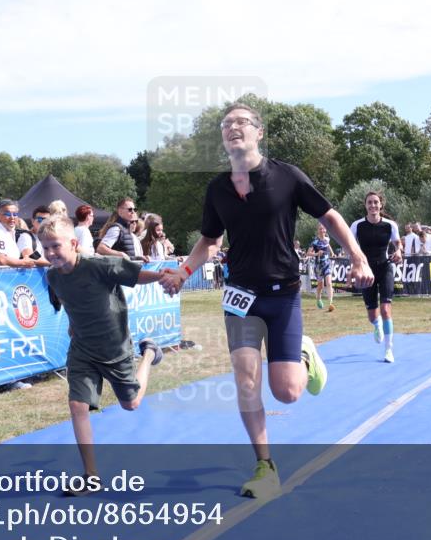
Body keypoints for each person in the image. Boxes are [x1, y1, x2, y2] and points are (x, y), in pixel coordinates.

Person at [159, 102, 373, 500]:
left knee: (288, 392)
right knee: (245, 379)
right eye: (226, 124)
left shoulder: (286, 176)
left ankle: (303, 356)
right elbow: (208, 241)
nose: (232, 128)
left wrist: (358, 257)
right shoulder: (218, 189)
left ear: (258, 132)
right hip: (240, 296)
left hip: (284, 294)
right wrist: (183, 273)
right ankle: (265, 465)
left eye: (241, 122)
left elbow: (330, 216)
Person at [39, 215, 165, 494]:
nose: (50, 253)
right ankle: (90, 476)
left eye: (55, 246)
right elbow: (69, 301)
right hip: (83, 351)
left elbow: (134, 274)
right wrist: (74, 326)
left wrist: (163, 276)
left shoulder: (98, 265)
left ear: (73, 243)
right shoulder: (52, 276)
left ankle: (149, 354)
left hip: (115, 348)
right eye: (45, 247)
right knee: (77, 406)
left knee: (131, 404)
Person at [350, 191, 403, 363]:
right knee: (373, 316)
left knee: (386, 309)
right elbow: (349, 246)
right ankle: (376, 324)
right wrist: (354, 266)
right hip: (366, 272)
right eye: (369, 203)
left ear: (381, 205)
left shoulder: (390, 225)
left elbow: (398, 243)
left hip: (385, 267)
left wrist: (399, 252)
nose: (373, 205)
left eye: (375, 202)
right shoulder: (357, 226)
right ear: (365, 206)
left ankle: (389, 350)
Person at [0, 199, 37, 268]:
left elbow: (33, 258)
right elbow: (0, 259)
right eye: (8, 214)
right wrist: (23, 262)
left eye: (15, 214)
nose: (12, 217)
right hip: (0, 277)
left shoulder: (8, 232)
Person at [306, 224, 335, 312]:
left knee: (329, 283)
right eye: (320, 229)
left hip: (327, 264)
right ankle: (318, 298)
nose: (322, 230)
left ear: (325, 230)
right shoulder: (314, 242)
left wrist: (332, 253)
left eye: (323, 229)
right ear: (318, 231)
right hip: (318, 266)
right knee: (320, 285)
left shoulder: (327, 239)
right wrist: (317, 254)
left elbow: (328, 245)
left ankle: (330, 303)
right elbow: (308, 253)